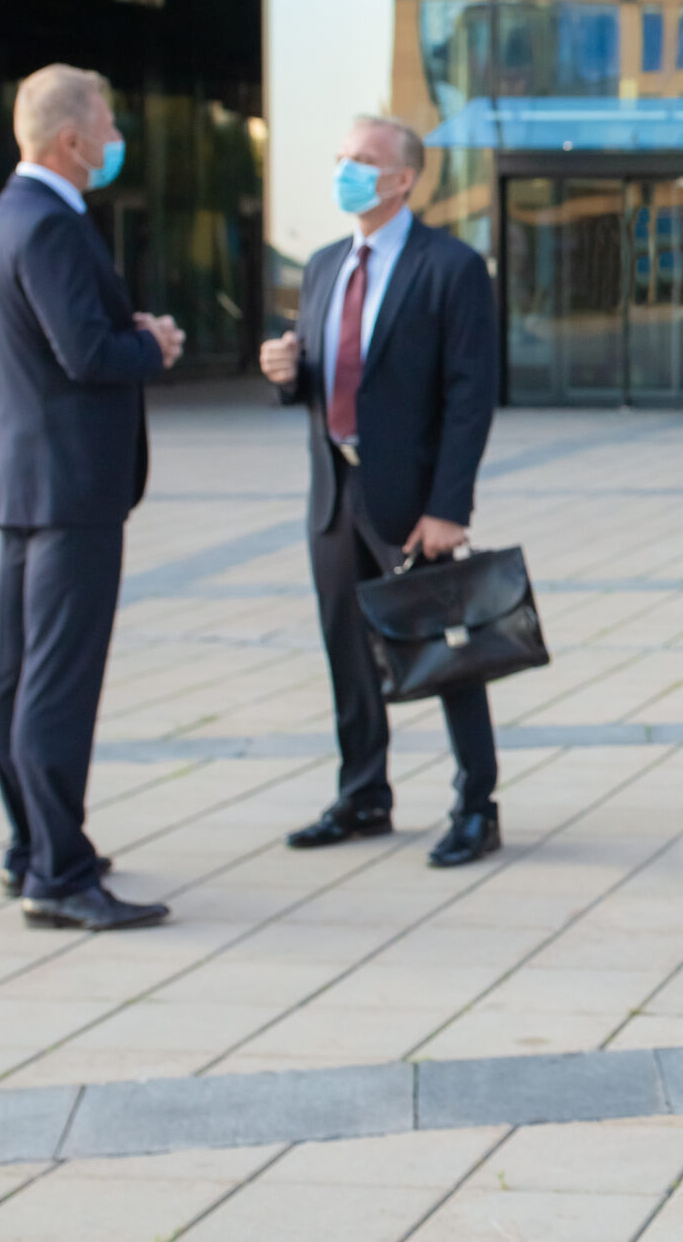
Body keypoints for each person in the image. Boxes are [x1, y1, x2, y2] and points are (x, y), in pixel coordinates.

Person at [0, 64, 185, 932]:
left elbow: (46, 340)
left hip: (24, 480)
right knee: (56, 684)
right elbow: (84, 356)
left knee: (16, 677)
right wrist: (156, 343)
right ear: (70, 140)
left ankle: (34, 845)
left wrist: (114, 335)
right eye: (107, 123)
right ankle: (58, 873)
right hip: (69, 487)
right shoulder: (52, 227)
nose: (113, 137)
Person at [260, 115, 505, 867]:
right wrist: (285, 372)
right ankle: (364, 792)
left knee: (445, 655)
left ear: (403, 178)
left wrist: (447, 508)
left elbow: (471, 394)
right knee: (347, 650)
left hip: (412, 501)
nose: (348, 171)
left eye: (364, 160)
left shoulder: (450, 267)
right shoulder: (326, 262)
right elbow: (325, 373)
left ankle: (476, 803)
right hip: (334, 491)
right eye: (342, 158)